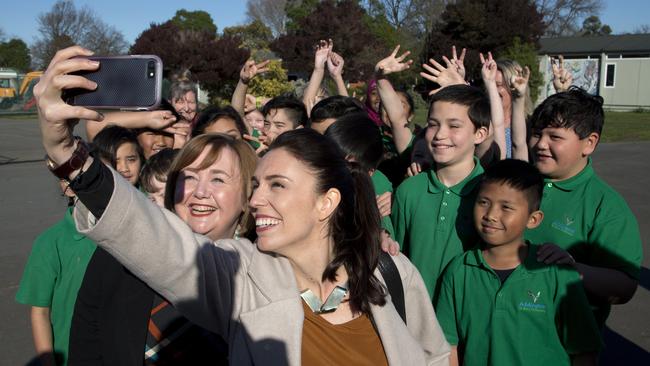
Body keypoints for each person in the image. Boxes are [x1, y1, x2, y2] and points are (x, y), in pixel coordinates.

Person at [36, 45, 451, 365]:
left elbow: (434, 356)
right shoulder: (241, 274)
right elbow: (157, 240)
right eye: (255, 185)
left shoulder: (391, 275)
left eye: (277, 185)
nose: (256, 199)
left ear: (326, 202)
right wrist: (64, 149)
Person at [70, 134, 256, 365]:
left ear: (247, 197)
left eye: (218, 179)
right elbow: (86, 345)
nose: (199, 192)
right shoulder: (117, 255)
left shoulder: (262, 275)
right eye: (189, 177)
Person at [435, 159, 601, 366]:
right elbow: (448, 346)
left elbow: (584, 352)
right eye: (484, 202)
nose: (491, 215)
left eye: (506, 207)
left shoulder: (558, 274)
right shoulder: (459, 271)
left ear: (533, 219)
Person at [525, 87, 642, 328]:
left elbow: (625, 286)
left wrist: (574, 270)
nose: (541, 144)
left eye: (555, 137)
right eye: (537, 133)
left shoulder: (606, 207)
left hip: (562, 346)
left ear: (589, 143)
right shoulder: (516, 182)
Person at [392, 84, 490, 298]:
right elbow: (397, 258)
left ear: (480, 134)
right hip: (414, 317)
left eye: (454, 126)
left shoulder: (491, 194)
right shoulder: (408, 190)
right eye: (433, 125)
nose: (440, 135)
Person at [15, 181, 97, 366]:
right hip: (72, 356)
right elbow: (40, 312)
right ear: (66, 185)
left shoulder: (123, 237)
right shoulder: (50, 243)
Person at [324, 113, 395, 238]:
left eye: (349, 166)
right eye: (329, 159)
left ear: (370, 172)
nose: (335, 170)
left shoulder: (377, 210)